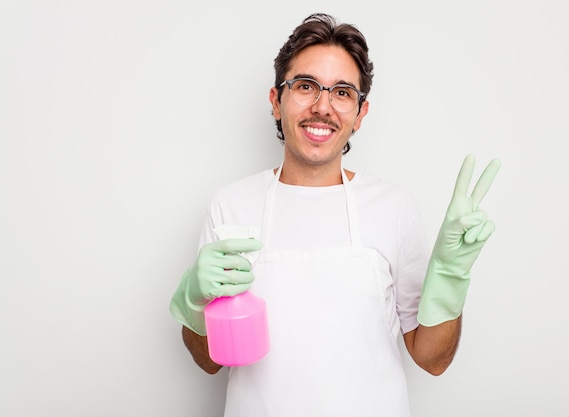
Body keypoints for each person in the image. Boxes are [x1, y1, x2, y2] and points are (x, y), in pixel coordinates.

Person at [170, 13, 501, 417]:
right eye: (306, 86)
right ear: (276, 101)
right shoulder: (232, 205)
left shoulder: (393, 207)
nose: (322, 107)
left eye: (342, 93)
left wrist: (451, 275)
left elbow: (433, 360)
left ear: (360, 113)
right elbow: (210, 361)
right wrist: (194, 304)